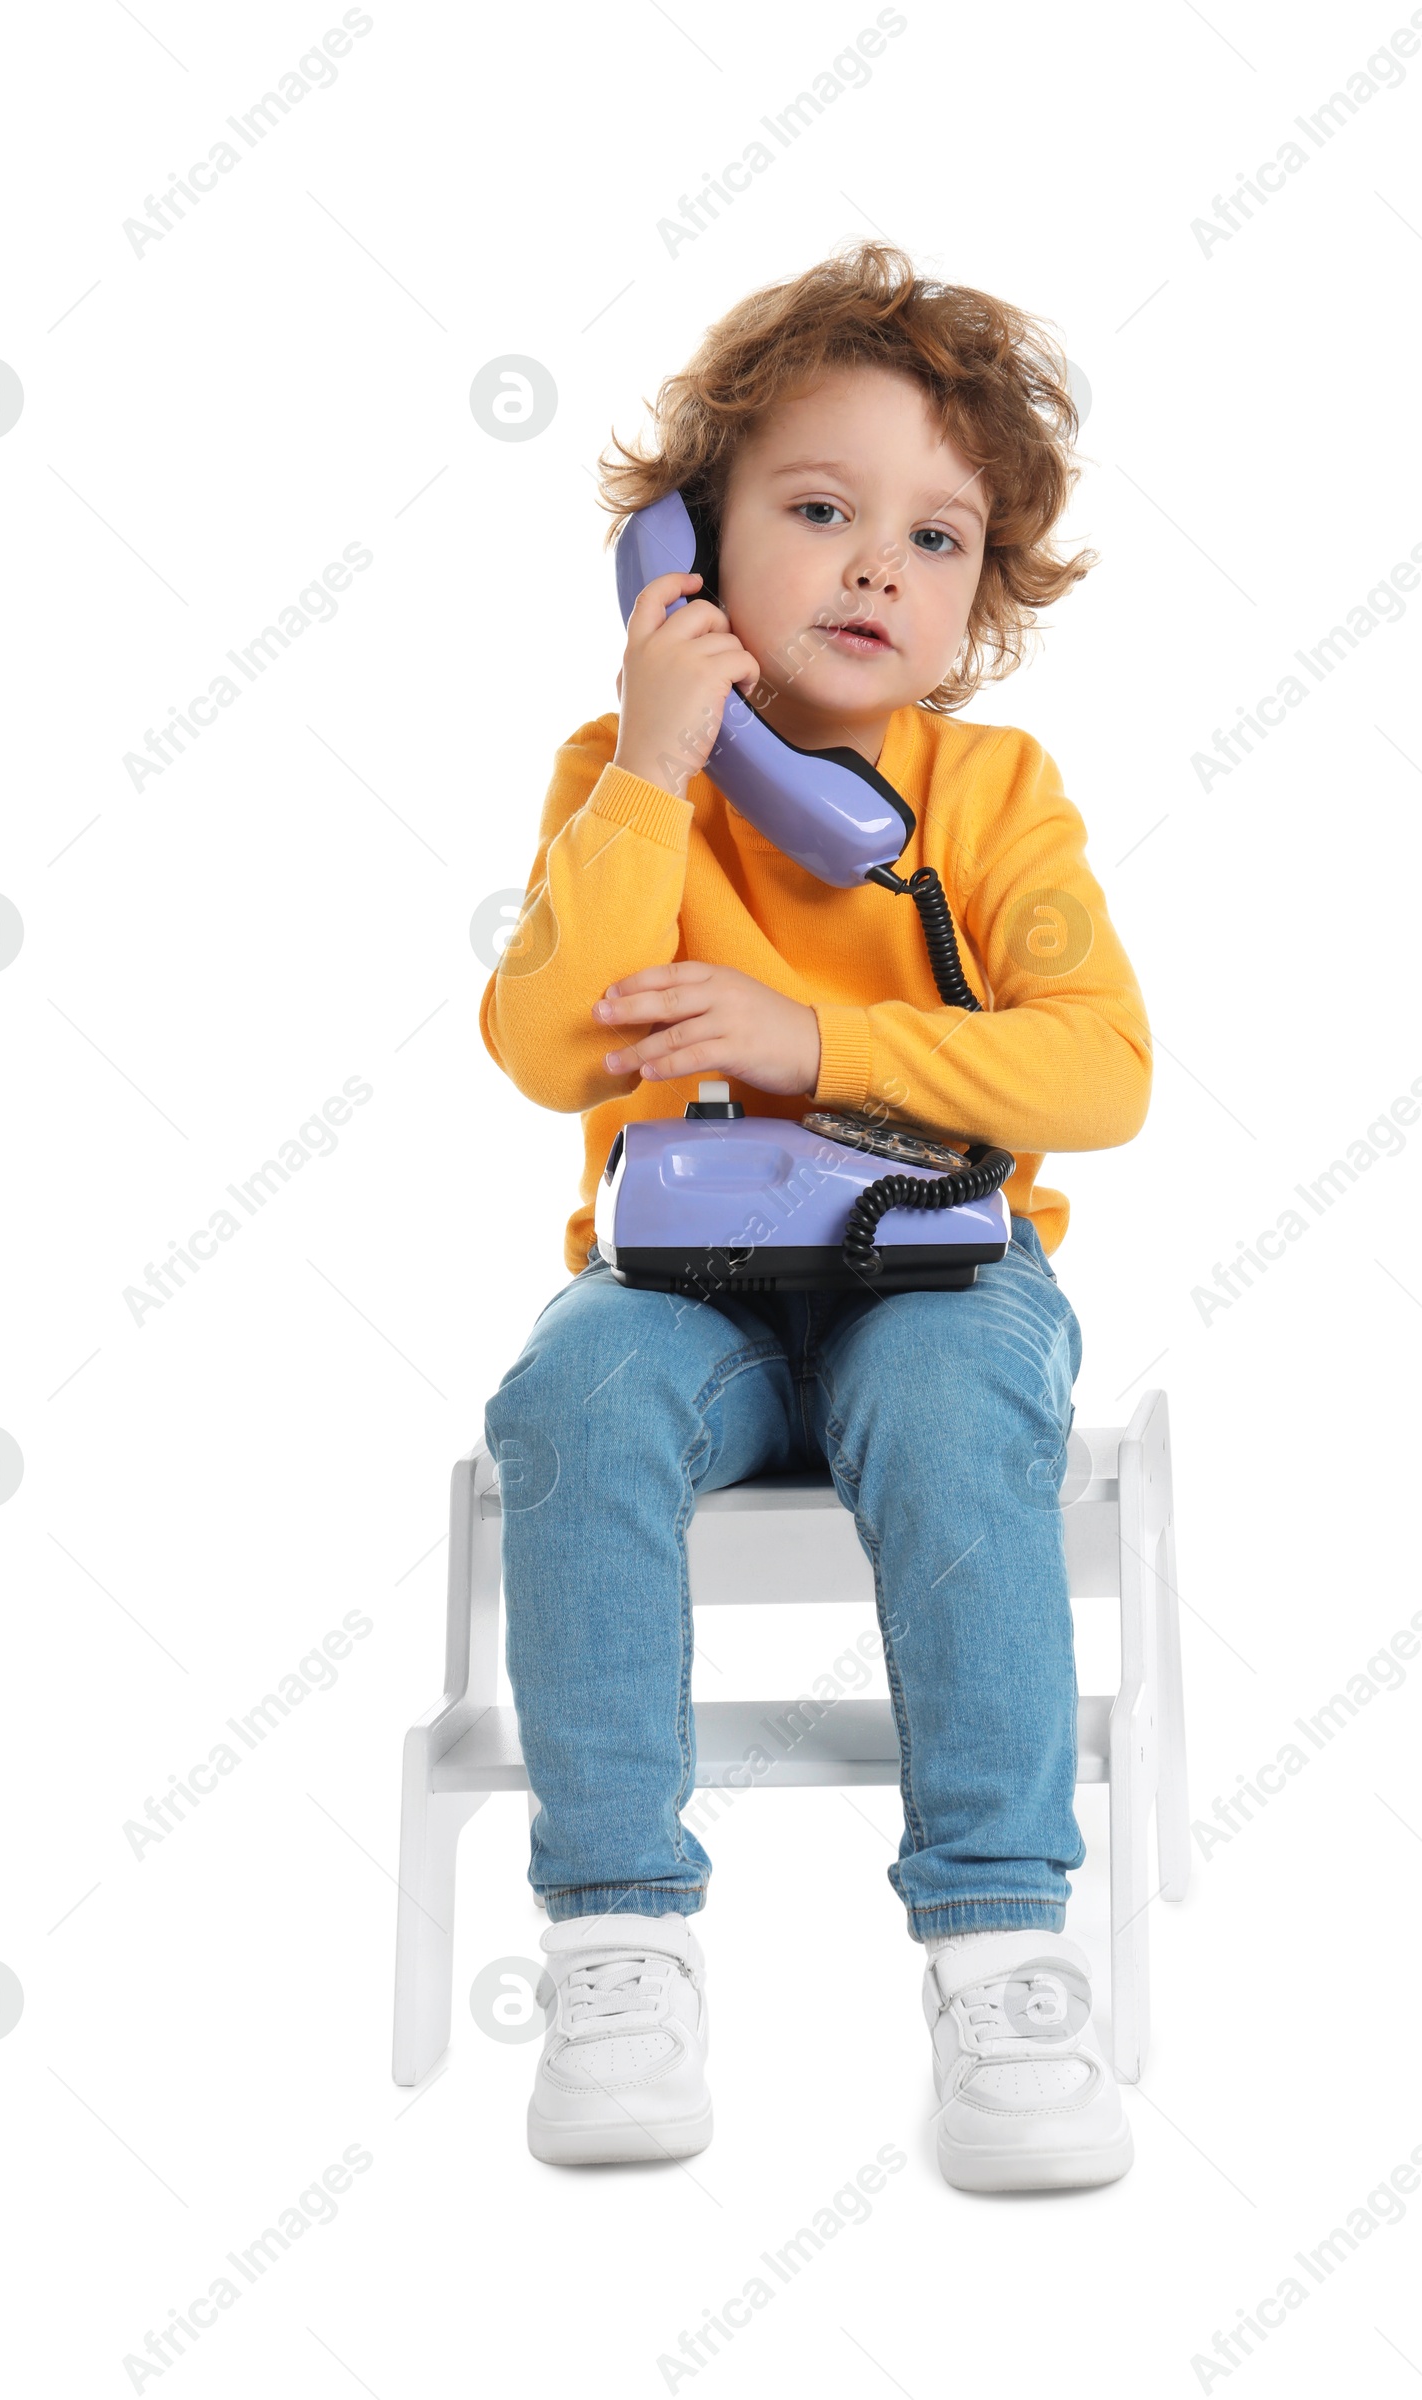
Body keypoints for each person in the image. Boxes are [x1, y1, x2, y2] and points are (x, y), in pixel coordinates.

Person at [480, 242, 1152, 2190]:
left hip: (939, 1272)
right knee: (572, 1402)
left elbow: (1095, 1075)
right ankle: (617, 1939)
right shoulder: (624, 782)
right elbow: (543, 1046)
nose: (876, 568)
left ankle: (1001, 1952)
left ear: (980, 598)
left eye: (935, 539)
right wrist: (659, 767)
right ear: (682, 556)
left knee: (950, 1416)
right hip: (690, 1282)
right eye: (818, 509)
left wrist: (815, 1033)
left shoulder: (990, 795)